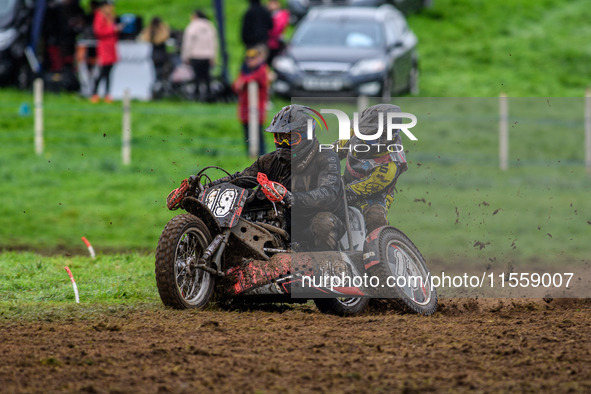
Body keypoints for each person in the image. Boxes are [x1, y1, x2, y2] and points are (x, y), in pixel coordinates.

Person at [207, 104, 346, 251]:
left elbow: (328, 193)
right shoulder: (268, 161)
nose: (284, 144)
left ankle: (324, 270)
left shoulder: (325, 157)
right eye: (280, 137)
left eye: (291, 138)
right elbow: (240, 179)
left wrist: (292, 198)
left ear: (307, 136)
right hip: (284, 222)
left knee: (322, 223)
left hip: (315, 221)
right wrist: (208, 187)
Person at [338, 104, 408, 233]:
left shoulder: (389, 166)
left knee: (375, 217)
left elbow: (352, 193)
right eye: (361, 133)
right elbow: (332, 153)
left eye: (369, 137)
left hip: (375, 195)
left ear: (386, 140)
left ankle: (376, 250)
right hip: (347, 180)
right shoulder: (355, 133)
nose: (361, 140)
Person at [233, 45, 269, 156]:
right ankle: (250, 155)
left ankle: (262, 156)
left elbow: (258, 78)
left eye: (253, 58)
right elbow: (236, 85)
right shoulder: (245, 70)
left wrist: (245, 81)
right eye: (248, 58)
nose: (250, 61)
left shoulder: (262, 70)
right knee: (247, 134)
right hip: (245, 109)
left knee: (258, 134)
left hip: (257, 109)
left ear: (259, 58)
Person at [181, 10, 218, 102]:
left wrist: (186, 56)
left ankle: (197, 95)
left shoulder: (192, 27)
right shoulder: (210, 26)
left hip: (195, 55)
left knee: (197, 76)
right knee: (207, 76)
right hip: (207, 55)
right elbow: (213, 43)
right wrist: (213, 56)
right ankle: (209, 95)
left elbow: (187, 43)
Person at [90, 0, 121, 103]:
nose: (112, 7)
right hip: (104, 47)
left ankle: (107, 94)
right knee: (102, 72)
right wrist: (113, 29)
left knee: (109, 72)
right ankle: (94, 93)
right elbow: (98, 31)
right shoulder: (99, 15)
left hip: (111, 47)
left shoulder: (111, 16)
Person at [139, 17, 171, 87]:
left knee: (155, 71)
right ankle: (160, 85)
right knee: (161, 71)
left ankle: (157, 85)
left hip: (153, 54)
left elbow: (143, 38)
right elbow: (165, 37)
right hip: (162, 54)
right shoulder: (162, 31)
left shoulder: (149, 31)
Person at [266, 0, 289, 66]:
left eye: (273, 3)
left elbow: (277, 29)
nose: (270, 5)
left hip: (276, 43)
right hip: (268, 43)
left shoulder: (281, 14)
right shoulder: (268, 14)